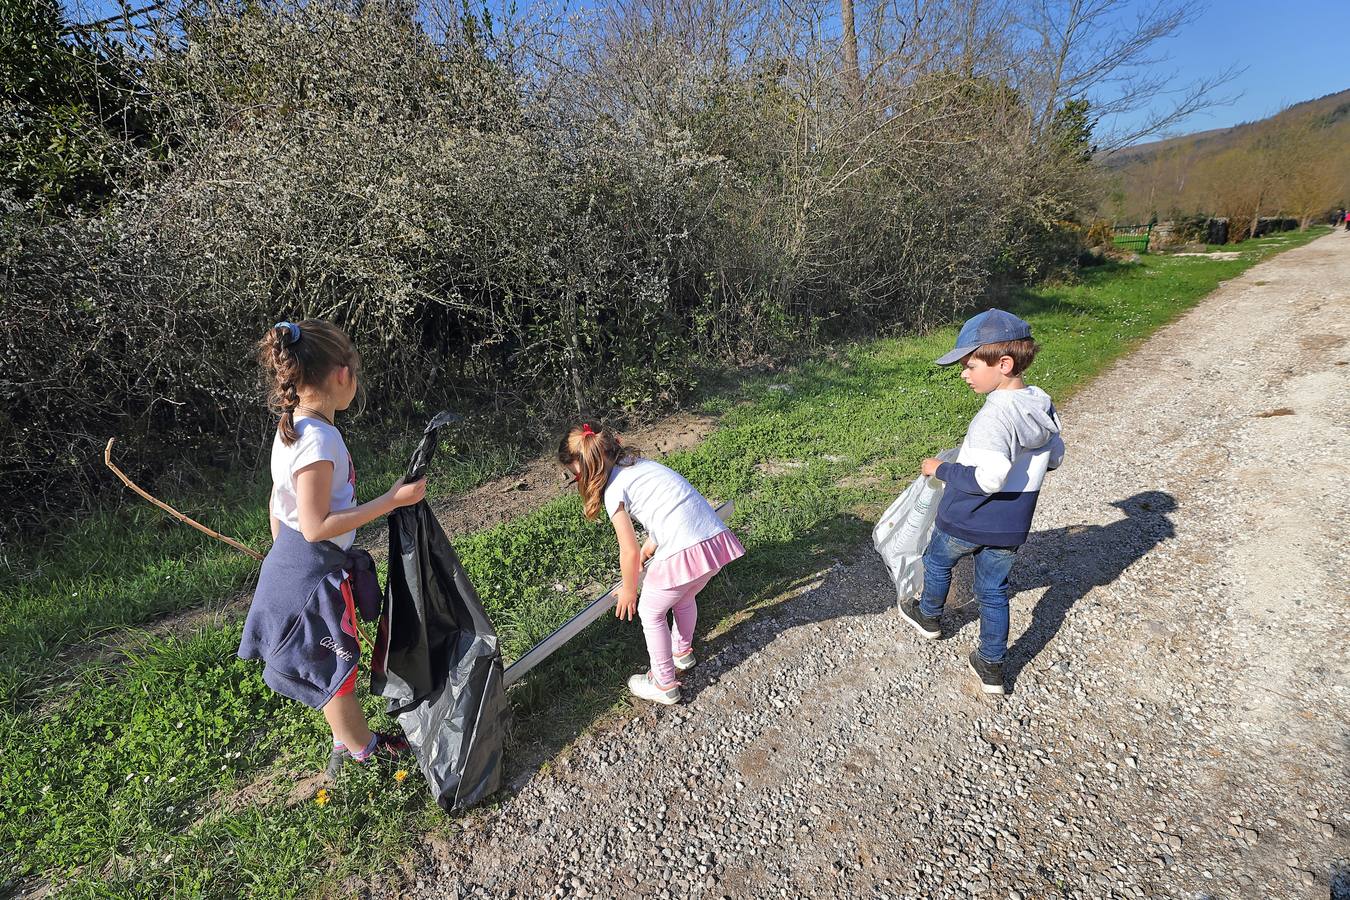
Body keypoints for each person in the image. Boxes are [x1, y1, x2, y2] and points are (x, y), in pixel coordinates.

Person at [239, 319, 426, 772]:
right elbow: (316, 525)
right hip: (310, 570)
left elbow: (276, 503)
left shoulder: (291, 428)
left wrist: (282, 557)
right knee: (337, 670)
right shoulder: (320, 439)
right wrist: (390, 501)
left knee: (325, 659)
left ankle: (345, 739)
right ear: (343, 375)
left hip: (292, 564)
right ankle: (362, 750)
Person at [898, 309, 1065, 695]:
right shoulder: (1039, 403)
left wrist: (941, 469)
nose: (964, 374)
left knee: (937, 561)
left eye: (971, 365)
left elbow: (988, 479)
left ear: (1003, 364)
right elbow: (1055, 458)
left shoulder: (994, 417)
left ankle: (929, 617)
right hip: (1011, 524)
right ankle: (991, 665)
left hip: (967, 517)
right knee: (993, 591)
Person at [558, 424, 745, 705]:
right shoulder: (640, 465)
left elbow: (629, 551)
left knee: (650, 611)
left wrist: (629, 590)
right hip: (712, 540)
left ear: (589, 469)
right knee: (684, 596)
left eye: (577, 476)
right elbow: (668, 507)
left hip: (684, 550)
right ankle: (682, 652)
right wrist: (653, 544)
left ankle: (663, 683)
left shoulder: (613, 492)